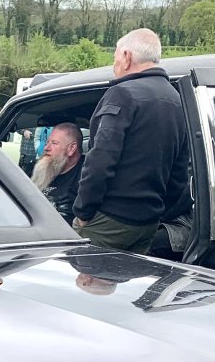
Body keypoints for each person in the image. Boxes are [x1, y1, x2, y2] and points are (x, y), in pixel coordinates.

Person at [71, 28, 190, 254]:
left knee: (84, 282)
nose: (114, 65)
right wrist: (158, 213)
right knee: (123, 286)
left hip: (109, 220)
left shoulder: (122, 94)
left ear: (126, 57)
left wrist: (83, 212)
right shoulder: (176, 98)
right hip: (147, 224)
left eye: (115, 57)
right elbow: (179, 170)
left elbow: (100, 160)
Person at [30, 122, 83, 223]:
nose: (46, 148)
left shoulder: (85, 176)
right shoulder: (42, 168)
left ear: (71, 148)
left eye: (54, 143)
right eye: (47, 142)